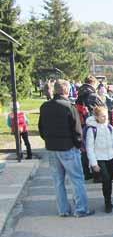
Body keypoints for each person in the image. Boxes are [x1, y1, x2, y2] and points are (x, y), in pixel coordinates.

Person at [38, 79, 95, 217]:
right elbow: (77, 130)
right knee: (76, 180)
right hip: (68, 147)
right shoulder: (70, 107)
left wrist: (48, 140)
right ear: (66, 90)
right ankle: (81, 209)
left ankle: (63, 209)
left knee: (58, 181)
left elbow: (41, 128)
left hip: (52, 147)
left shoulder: (45, 106)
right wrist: (78, 144)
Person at [85, 106, 113, 213]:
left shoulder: (110, 128)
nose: (105, 118)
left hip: (110, 157)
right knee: (105, 179)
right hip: (99, 158)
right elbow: (89, 147)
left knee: (109, 180)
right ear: (96, 117)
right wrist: (93, 163)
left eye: (106, 115)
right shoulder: (92, 130)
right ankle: (107, 203)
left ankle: (109, 199)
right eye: (102, 116)